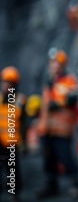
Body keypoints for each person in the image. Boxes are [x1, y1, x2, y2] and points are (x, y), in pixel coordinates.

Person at [37, 49, 78, 199]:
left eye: (57, 63)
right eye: (52, 62)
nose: (54, 66)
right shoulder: (49, 83)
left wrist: (59, 103)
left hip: (62, 129)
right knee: (49, 159)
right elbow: (45, 106)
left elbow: (74, 98)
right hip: (46, 129)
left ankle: (75, 184)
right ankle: (52, 186)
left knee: (65, 157)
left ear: (63, 65)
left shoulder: (69, 80)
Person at [0, 66, 25, 202]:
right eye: (4, 82)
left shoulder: (20, 100)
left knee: (12, 171)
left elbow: (25, 123)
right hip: (0, 141)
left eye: (9, 83)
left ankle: (14, 194)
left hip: (12, 143)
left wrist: (25, 143)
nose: (6, 85)